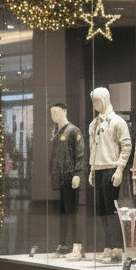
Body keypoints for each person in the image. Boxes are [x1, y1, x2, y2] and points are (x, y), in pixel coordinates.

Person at [83, 86, 132, 263]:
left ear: (105, 99)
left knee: (112, 211)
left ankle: (118, 247)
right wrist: (91, 169)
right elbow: (92, 148)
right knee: (102, 211)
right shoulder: (93, 124)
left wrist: (119, 169)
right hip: (97, 169)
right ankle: (109, 245)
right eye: (94, 101)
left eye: (98, 100)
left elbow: (126, 146)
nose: (96, 104)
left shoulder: (117, 121)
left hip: (111, 169)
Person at [49, 102, 85, 256]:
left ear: (64, 111)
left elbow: (80, 154)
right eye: (51, 113)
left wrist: (78, 174)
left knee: (72, 211)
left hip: (70, 177)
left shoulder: (73, 131)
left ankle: (77, 245)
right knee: (63, 212)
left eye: (56, 112)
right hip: (60, 177)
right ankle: (63, 244)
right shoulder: (57, 132)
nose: (53, 115)